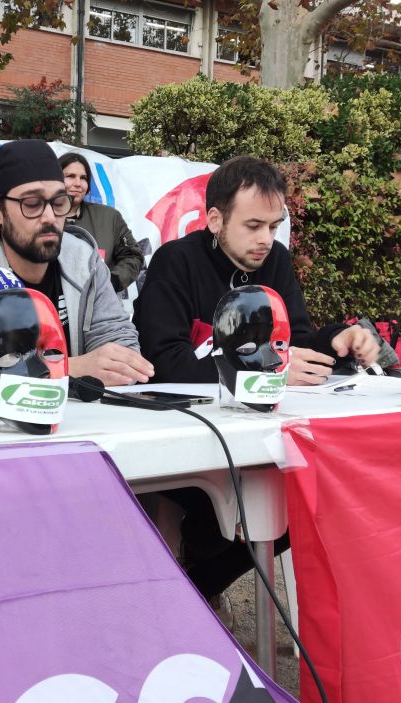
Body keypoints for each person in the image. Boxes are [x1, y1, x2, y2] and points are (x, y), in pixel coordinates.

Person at [132, 155, 380, 603]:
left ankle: (198, 588)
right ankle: (197, 581)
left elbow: (297, 340)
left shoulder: (276, 261)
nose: (266, 239)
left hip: (259, 432)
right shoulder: (176, 262)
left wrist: (339, 339)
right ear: (214, 219)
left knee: (309, 501)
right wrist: (268, 375)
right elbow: (163, 364)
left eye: (273, 225)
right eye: (253, 226)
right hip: (183, 439)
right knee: (256, 506)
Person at [0, 140, 152, 390]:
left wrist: (112, 366)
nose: (49, 218)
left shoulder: (84, 258)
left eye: (58, 203)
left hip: (80, 418)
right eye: (32, 204)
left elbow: (122, 350)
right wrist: (68, 369)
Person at [58, 152, 144, 293]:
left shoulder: (109, 217)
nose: (78, 184)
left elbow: (133, 256)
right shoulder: (41, 217)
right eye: (70, 176)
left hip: (99, 308)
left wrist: (113, 281)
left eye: (83, 178)